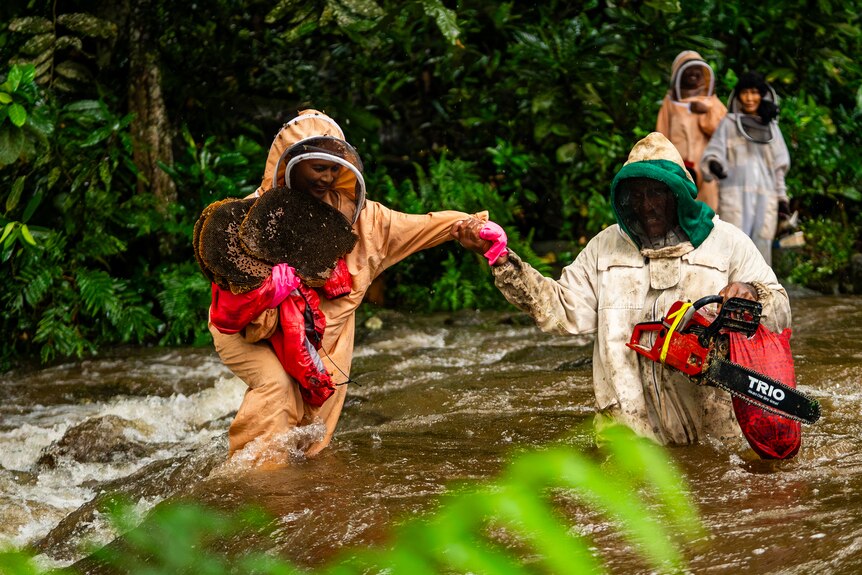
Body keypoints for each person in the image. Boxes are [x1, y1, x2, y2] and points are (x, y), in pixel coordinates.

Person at [451, 132, 791, 447]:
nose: (647, 205)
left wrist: (751, 292)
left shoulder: (727, 243)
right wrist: (500, 259)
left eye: (657, 192)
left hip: (713, 439)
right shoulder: (604, 248)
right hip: (628, 441)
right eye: (637, 195)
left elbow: (780, 311)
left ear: (678, 196)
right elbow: (560, 311)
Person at [206, 110, 487, 461]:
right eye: (317, 167)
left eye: (332, 167)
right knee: (277, 393)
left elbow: (424, 226)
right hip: (247, 329)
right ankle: (248, 488)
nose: (325, 177)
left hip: (327, 339)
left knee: (312, 439)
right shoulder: (251, 216)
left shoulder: (364, 220)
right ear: (290, 163)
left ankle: (301, 499)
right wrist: (270, 291)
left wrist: (469, 226)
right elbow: (226, 301)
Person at [701, 71, 791, 266]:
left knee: (761, 252)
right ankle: (729, 295)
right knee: (733, 247)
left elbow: (778, 168)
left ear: (763, 95)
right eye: (745, 93)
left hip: (766, 199)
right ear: (738, 95)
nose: (750, 98)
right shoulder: (729, 124)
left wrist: (782, 198)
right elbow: (713, 153)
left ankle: (759, 295)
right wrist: (715, 165)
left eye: (754, 92)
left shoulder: (772, 128)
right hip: (734, 196)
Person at [655, 50, 727, 211]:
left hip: (708, 168)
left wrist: (706, 112)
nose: (693, 74)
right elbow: (660, 138)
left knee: (709, 212)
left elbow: (724, 133)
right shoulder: (670, 103)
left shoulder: (712, 102)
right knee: (678, 210)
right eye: (688, 70)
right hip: (678, 167)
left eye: (697, 71)